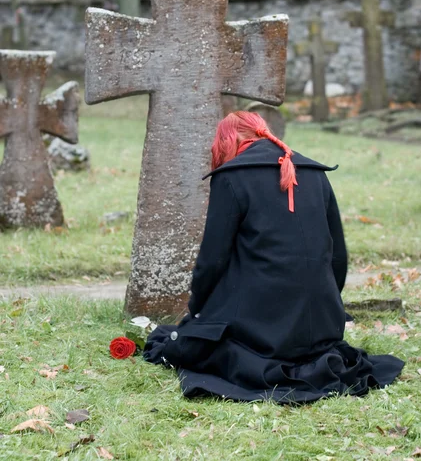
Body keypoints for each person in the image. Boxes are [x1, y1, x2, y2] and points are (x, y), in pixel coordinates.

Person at [144, 111, 404, 403]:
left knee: (185, 343)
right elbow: (338, 258)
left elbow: (213, 261)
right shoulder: (315, 173)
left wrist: (198, 312)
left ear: (227, 141)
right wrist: (322, 307)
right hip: (321, 326)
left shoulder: (231, 176)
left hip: (261, 330)